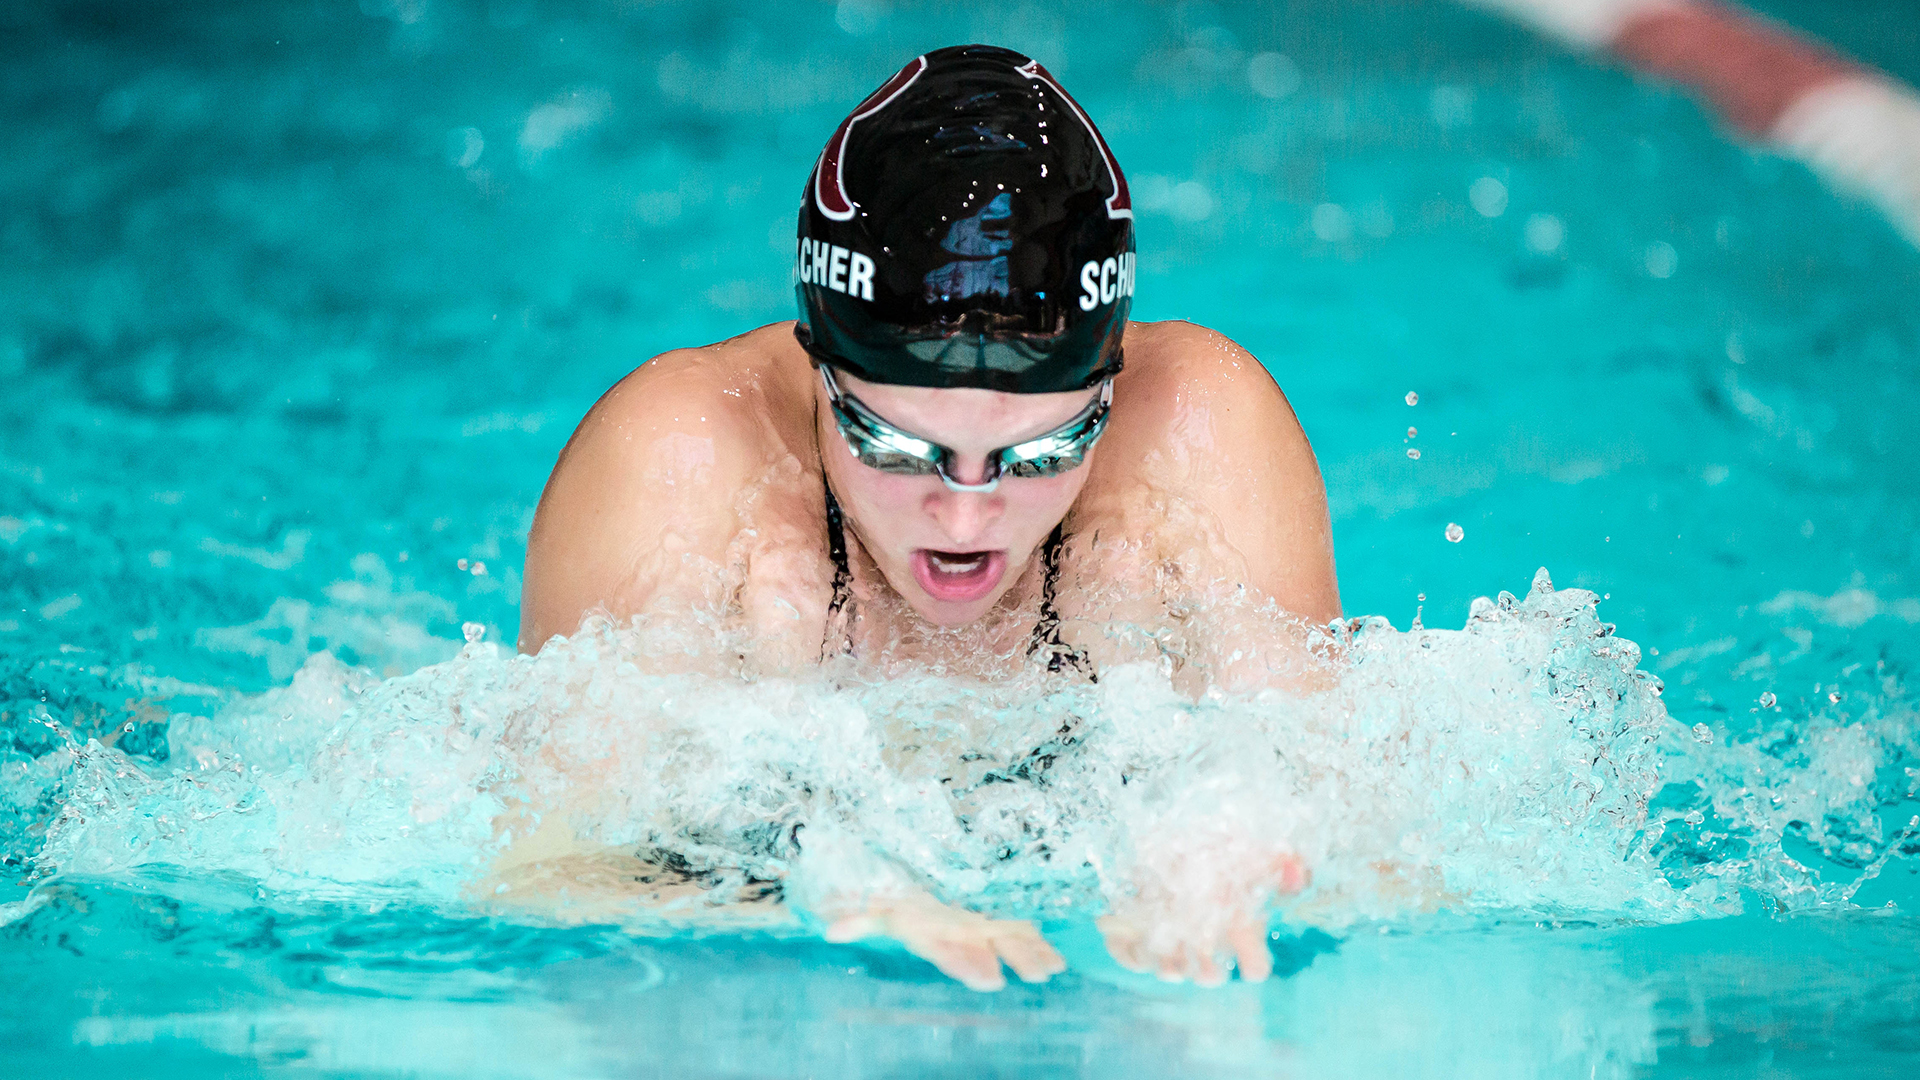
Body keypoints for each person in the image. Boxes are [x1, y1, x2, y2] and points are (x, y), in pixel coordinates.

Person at [518, 45, 1339, 990]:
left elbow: (1358, 814)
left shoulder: (1200, 429)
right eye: (897, 447)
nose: (964, 513)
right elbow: (547, 873)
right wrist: (791, 888)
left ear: (1109, 388)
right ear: (818, 368)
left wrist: (1242, 844)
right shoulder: (682, 462)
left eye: (1038, 453)